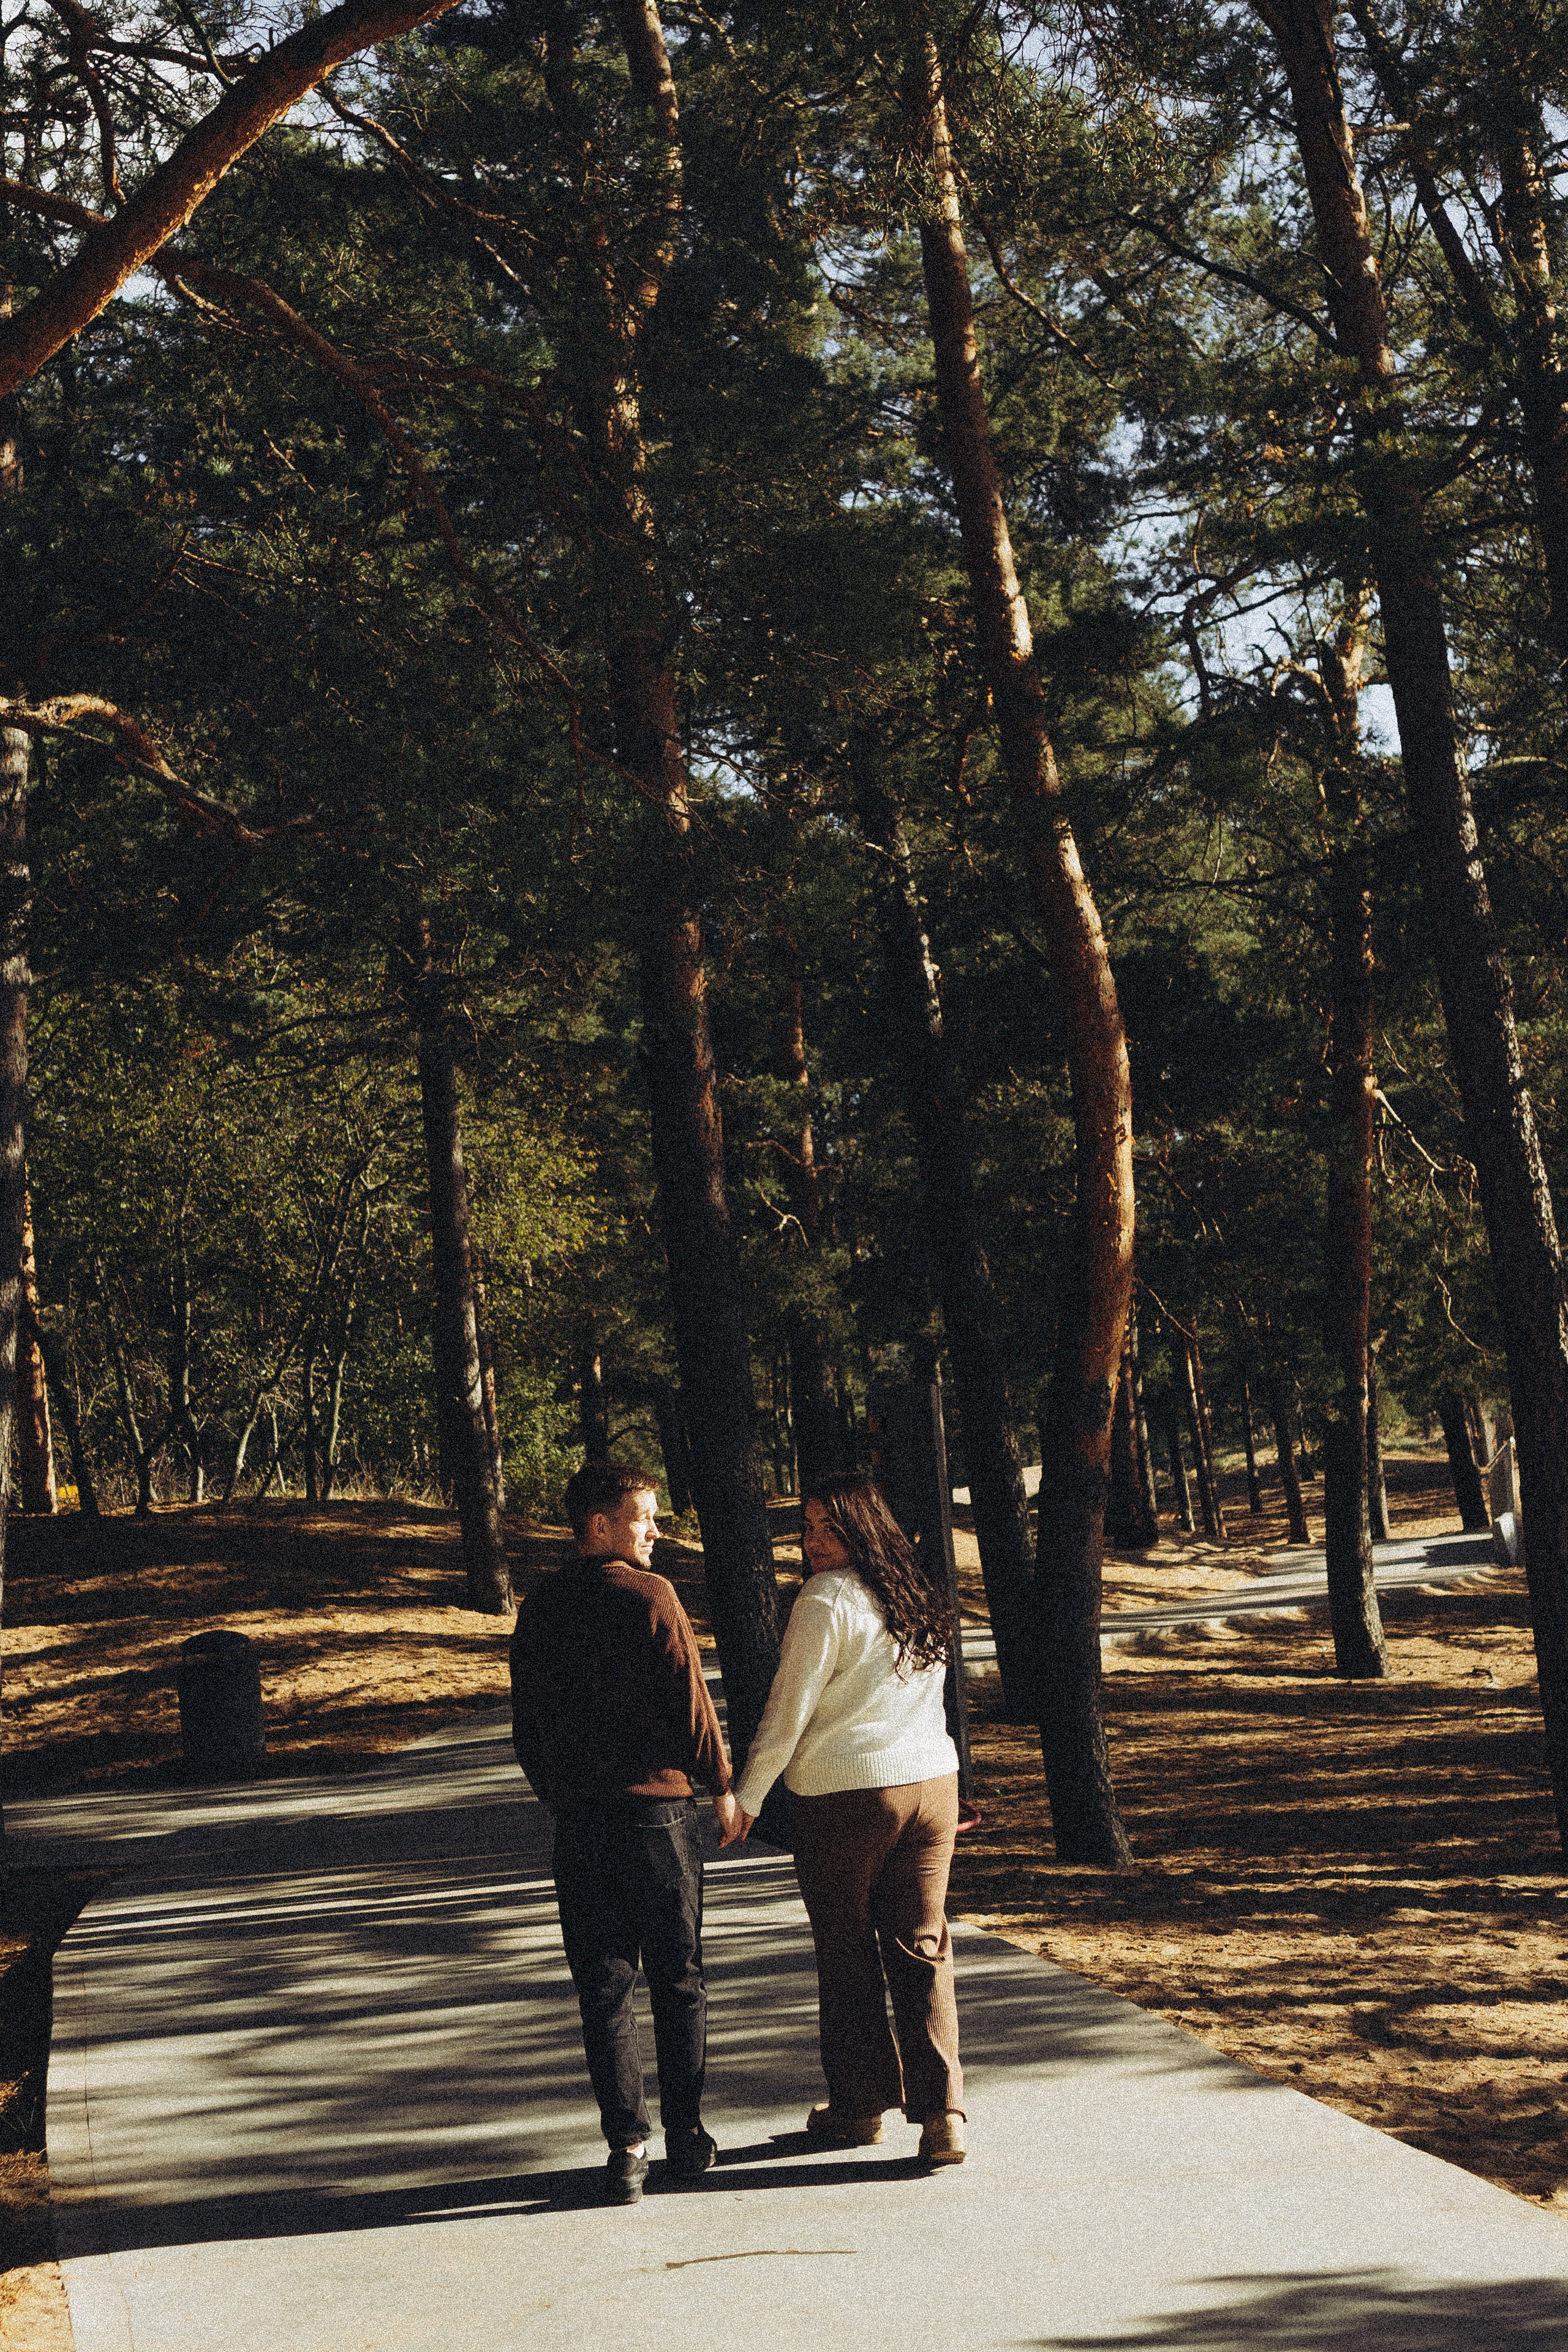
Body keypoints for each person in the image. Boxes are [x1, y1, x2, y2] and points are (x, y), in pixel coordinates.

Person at [510, 1460, 741, 2204]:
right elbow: (691, 1702)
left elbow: (527, 1727)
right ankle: (686, 2135)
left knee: (604, 1989)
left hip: (580, 1826)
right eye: (644, 1517)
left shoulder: (541, 1606)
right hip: (656, 1820)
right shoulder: (649, 1595)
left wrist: (562, 1793)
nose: (655, 1531)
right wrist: (724, 1785)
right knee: (678, 1979)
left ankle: (626, 2150)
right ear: (600, 1526)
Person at [731, 1473, 967, 2168]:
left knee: (846, 1951)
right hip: (931, 1787)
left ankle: (861, 2108)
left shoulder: (824, 1599)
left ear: (864, 1528)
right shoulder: (912, 1590)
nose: (811, 1543)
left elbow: (787, 1711)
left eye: (827, 1528)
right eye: (805, 1529)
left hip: (847, 1796)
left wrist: (748, 1796)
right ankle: (943, 2115)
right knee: (923, 1947)